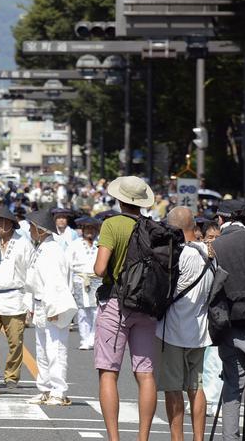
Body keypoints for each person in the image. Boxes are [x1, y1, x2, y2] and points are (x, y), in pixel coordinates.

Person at [93, 176, 158, 441]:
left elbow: (99, 268)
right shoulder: (154, 228)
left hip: (116, 303)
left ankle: (114, 438)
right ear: (141, 203)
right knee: (145, 373)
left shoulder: (111, 224)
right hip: (147, 305)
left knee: (109, 372)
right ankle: (143, 438)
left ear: (120, 199)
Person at [158, 207, 213, 441]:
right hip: (200, 331)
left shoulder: (178, 255)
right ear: (194, 227)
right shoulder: (210, 253)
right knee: (196, 386)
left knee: (173, 388)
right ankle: (198, 438)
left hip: (173, 331)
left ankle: (177, 438)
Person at [211, 198, 245, 441]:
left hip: (225, 322)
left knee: (232, 385)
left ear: (221, 219)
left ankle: (230, 438)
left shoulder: (215, 244)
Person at [24, 209, 77, 406]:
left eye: (31, 226)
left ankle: (58, 390)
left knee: (55, 349)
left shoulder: (53, 250)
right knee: (42, 349)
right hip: (40, 302)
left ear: (40, 229)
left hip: (52, 303)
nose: (29, 229)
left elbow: (56, 282)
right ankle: (45, 388)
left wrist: (54, 308)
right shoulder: (41, 247)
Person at [0, 207, 35, 389]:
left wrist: (30, 301)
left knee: (15, 341)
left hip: (15, 296)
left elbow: (31, 274)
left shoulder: (23, 244)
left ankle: (11, 376)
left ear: (9, 224)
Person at [69, 216, 102, 350]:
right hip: (80, 279)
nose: (90, 231)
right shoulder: (75, 244)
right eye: (87, 228)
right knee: (82, 311)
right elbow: (68, 264)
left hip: (96, 279)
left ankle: (93, 337)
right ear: (82, 230)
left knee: (96, 311)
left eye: (92, 229)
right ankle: (84, 338)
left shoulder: (99, 243)